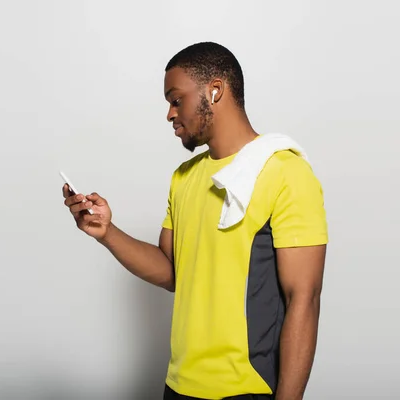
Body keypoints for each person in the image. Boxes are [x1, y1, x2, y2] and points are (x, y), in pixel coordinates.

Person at [62, 42, 328, 400]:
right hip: (178, 387)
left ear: (214, 91)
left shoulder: (286, 173)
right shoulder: (184, 177)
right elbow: (172, 271)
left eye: (176, 99)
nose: (170, 114)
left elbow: (304, 299)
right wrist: (106, 232)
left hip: (245, 390)